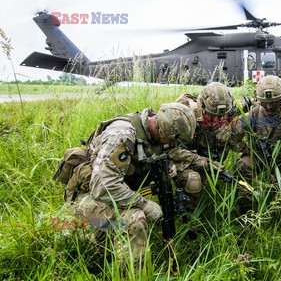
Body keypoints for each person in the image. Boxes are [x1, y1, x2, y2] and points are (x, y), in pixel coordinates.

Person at [67, 103, 196, 269]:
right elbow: (103, 185)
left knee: (105, 245)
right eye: (173, 140)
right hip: (86, 196)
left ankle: (99, 244)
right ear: (163, 130)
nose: (173, 144)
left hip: (112, 194)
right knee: (134, 220)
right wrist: (143, 204)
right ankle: (131, 274)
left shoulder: (154, 134)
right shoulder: (122, 134)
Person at [167, 82, 248, 208]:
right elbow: (169, 150)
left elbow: (245, 105)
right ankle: (190, 217)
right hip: (185, 160)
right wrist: (202, 161)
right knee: (193, 181)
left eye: (221, 116)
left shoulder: (225, 109)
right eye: (212, 116)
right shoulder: (184, 116)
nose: (218, 119)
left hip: (211, 158)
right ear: (202, 107)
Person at [236, 75, 281, 212]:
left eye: (274, 102)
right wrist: (247, 149)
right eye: (264, 102)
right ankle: (247, 210)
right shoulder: (253, 115)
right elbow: (232, 136)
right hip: (258, 156)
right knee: (242, 167)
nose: (268, 106)